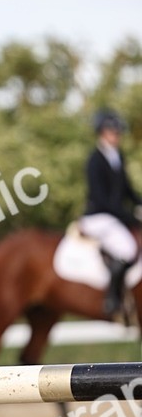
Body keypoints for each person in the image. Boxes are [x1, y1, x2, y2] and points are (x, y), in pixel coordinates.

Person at [79, 110, 142, 316]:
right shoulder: (94, 160)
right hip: (99, 216)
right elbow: (101, 199)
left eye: (118, 132)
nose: (116, 135)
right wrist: (129, 217)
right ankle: (112, 298)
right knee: (127, 248)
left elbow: (127, 190)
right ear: (101, 133)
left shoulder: (118, 157)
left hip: (115, 214)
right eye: (111, 131)